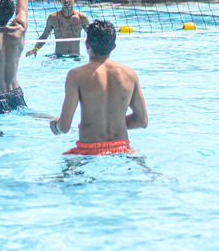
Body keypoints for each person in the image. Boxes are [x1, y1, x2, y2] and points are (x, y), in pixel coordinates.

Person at [49, 20, 148, 155]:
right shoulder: (130, 74)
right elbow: (142, 121)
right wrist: (114, 122)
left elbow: (65, 127)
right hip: (123, 149)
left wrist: (56, 126)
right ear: (114, 46)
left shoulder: (76, 75)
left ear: (87, 44)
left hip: (88, 151)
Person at [26, 0, 91, 58]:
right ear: (60, 0)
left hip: (76, 56)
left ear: (75, 0)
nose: (66, 0)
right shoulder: (53, 18)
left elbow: (92, 36)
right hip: (58, 56)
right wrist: (35, 49)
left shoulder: (82, 18)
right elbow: (44, 36)